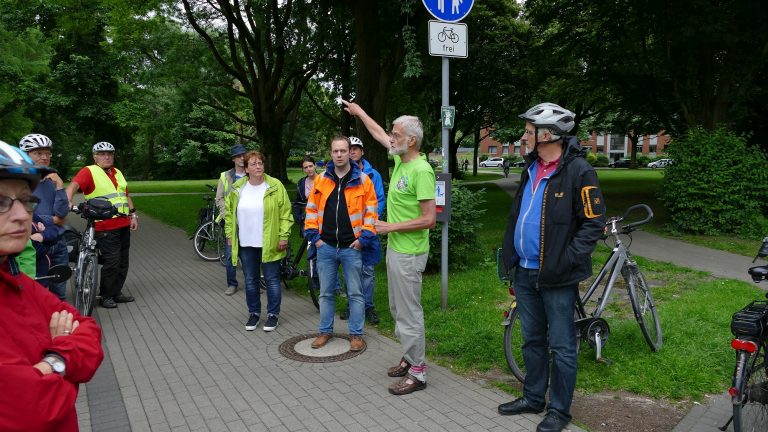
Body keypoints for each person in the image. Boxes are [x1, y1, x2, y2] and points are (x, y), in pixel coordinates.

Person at [497, 103, 606, 432]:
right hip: (526, 272)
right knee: (532, 339)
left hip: (557, 277)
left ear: (547, 135)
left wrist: (567, 260)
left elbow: (593, 223)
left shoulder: (579, 171)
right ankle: (533, 396)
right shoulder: (530, 167)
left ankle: (559, 411)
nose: (523, 136)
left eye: (528, 132)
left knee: (561, 345)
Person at [0, 140, 103, 431]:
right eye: (1, 202)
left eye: (25, 200)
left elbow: (89, 330)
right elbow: (37, 410)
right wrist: (61, 358)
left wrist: (49, 364)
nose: (22, 215)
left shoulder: (17, 284)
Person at [343, 100, 436, 396]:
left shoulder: (421, 170)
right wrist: (360, 113)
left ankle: (418, 372)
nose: (390, 137)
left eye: (396, 134)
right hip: (397, 249)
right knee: (398, 309)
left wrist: (388, 227)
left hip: (409, 252)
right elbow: (377, 134)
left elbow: (429, 219)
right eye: (392, 133)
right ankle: (409, 358)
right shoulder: (401, 159)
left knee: (409, 313)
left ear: (411, 140)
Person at [304, 135, 378, 352]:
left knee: (355, 293)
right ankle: (325, 331)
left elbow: (371, 213)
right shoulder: (321, 180)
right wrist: (314, 238)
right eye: (335, 151)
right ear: (331, 153)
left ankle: (356, 335)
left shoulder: (363, 180)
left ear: (350, 153)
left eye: (343, 151)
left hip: (351, 247)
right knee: (325, 293)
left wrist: (363, 240)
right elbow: (311, 209)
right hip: (325, 246)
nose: (339, 155)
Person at [225, 151, 293, 332]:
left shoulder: (275, 186)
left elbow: (286, 213)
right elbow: (230, 215)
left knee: (271, 280)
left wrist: (283, 236)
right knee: (250, 280)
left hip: (269, 242)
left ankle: (273, 315)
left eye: (260, 163)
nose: (258, 167)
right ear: (246, 168)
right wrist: (230, 235)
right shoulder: (238, 188)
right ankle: (254, 313)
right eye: (253, 164)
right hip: (246, 244)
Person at [66, 141, 138, 309]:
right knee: (111, 261)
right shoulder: (89, 171)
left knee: (123, 261)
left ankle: (116, 292)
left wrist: (133, 215)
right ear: (95, 157)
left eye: (110, 154)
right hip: (104, 225)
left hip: (123, 223)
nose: (107, 156)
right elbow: (73, 186)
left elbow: (125, 195)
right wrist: (68, 200)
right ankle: (106, 296)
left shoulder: (117, 172)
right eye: (103, 154)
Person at [338, 136, 384, 325]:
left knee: (368, 270)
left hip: (367, 229)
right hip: (349, 230)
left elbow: (379, 200)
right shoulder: (341, 174)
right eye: (351, 148)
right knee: (351, 269)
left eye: (357, 148)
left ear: (362, 152)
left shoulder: (374, 175)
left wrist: (369, 224)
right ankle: (352, 304)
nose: (353, 151)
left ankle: (368, 306)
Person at [18, 134, 70, 299]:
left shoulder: (51, 180)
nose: (45, 157)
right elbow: (27, 217)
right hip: (35, 243)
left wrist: (60, 186)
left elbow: (61, 214)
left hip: (58, 242)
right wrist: (51, 219)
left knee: (59, 295)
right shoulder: (19, 182)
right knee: (35, 292)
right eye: (38, 153)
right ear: (25, 154)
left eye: (47, 153)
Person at [216, 144, 247, 296]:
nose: (242, 158)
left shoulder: (252, 174)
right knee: (230, 254)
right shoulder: (225, 176)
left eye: (244, 155)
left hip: (248, 221)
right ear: (234, 159)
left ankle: (252, 283)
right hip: (231, 222)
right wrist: (225, 214)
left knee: (250, 254)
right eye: (239, 156)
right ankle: (232, 284)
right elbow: (219, 198)